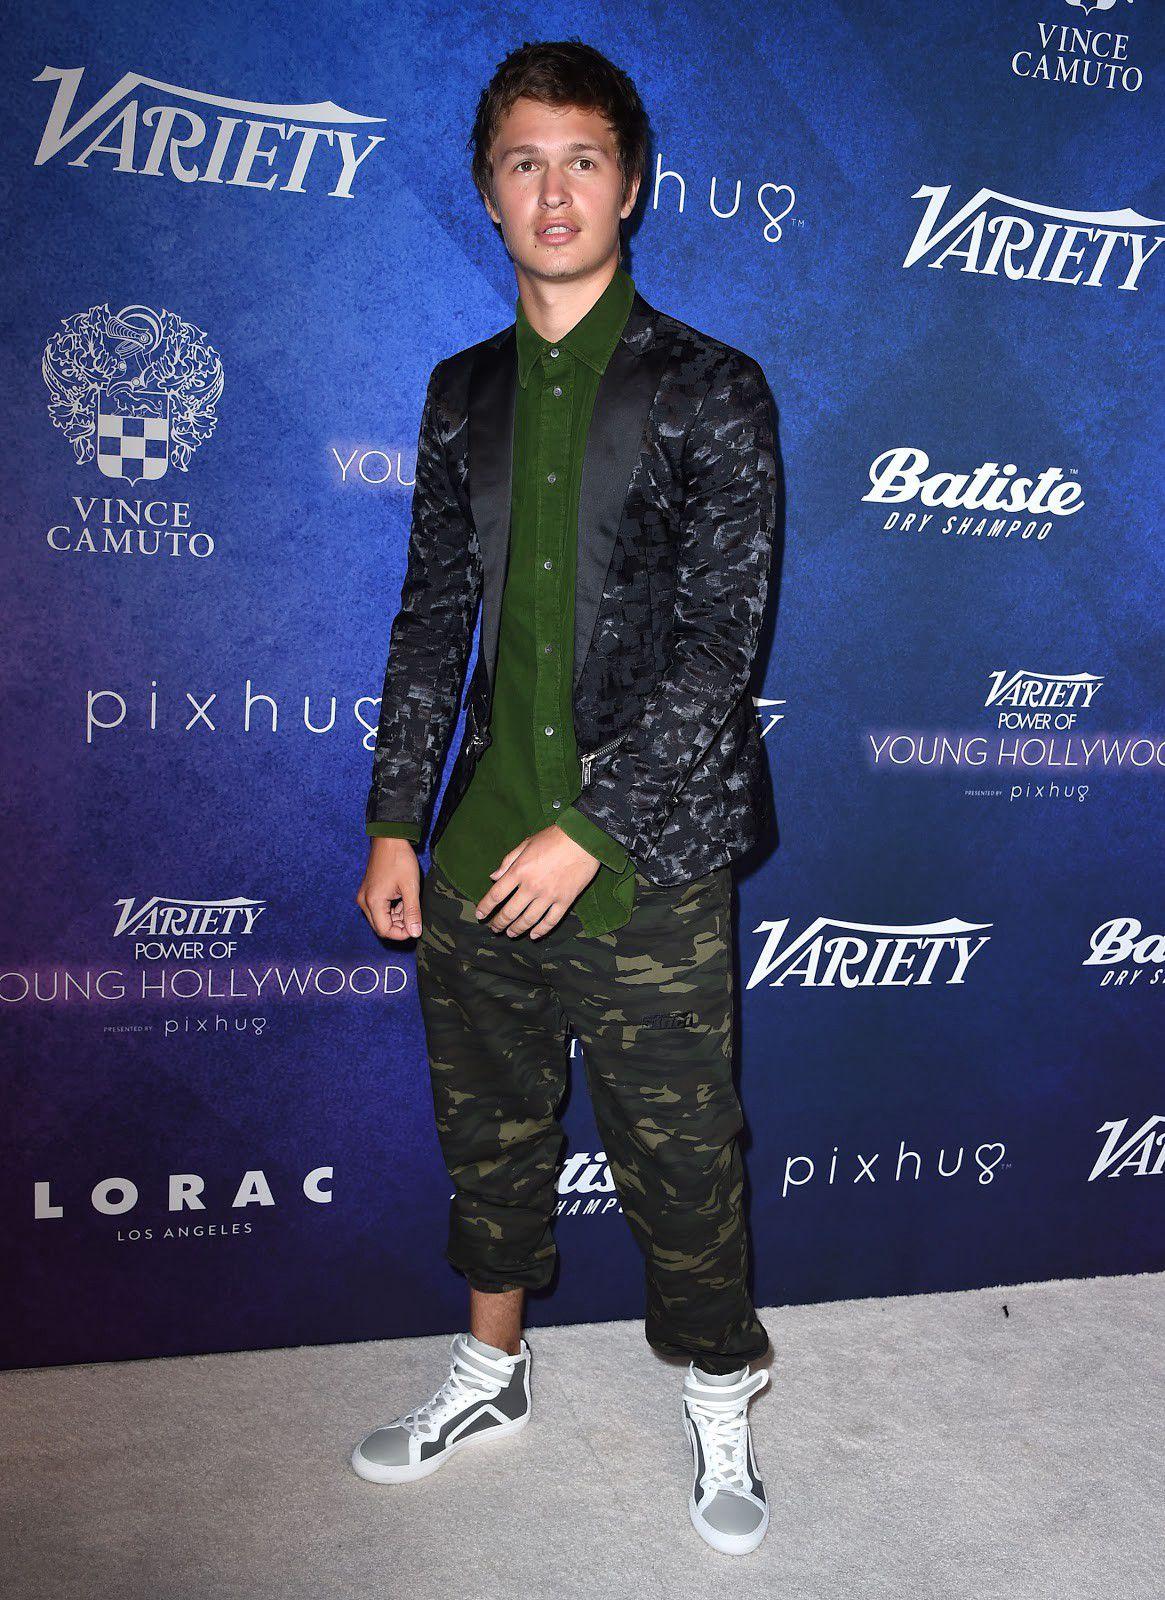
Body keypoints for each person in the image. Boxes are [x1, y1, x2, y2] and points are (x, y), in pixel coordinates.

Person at [352, 38, 782, 1558]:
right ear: (488, 191)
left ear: (632, 184)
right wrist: (395, 819)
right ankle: (492, 1371)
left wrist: (588, 829)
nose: (553, 191)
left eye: (581, 160)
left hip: (645, 857)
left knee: (681, 1153)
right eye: (523, 162)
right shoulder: (460, 390)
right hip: (478, 849)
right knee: (489, 1132)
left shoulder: (711, 387)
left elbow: (723, 652)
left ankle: (720, 1390)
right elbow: (430, 620)